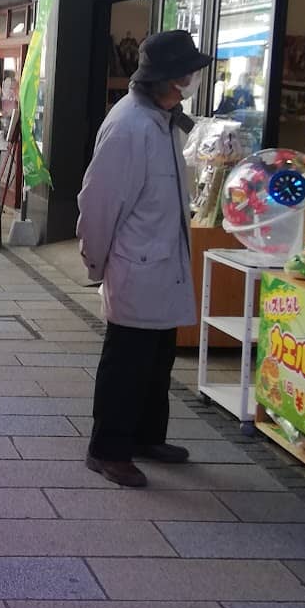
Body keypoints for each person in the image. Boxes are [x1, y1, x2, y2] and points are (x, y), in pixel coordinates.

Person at [76, 29, 213, 488]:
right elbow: (98, 203)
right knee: (126, 364)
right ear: (160, 80)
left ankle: (146, 436)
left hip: (163, 263)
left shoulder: (164, 119)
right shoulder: (129, 125)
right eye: (183, 77)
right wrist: (94, 263)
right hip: (136, 265)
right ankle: (108, 448)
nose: (188, 84)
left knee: (157, 361)